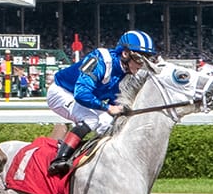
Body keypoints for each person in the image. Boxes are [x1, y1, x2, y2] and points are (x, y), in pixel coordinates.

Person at [46, 30, 156, 176]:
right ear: (125, 54)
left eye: (147, 59)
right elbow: (81, 94)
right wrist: (107, 107)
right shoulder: (101, 60)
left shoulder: (127, 73)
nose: (143, 65)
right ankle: (59, 160)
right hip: (61, 92)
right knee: (90, 119)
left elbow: (115, 101)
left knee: (108, 124)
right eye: (141, 59)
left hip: (82, 97)